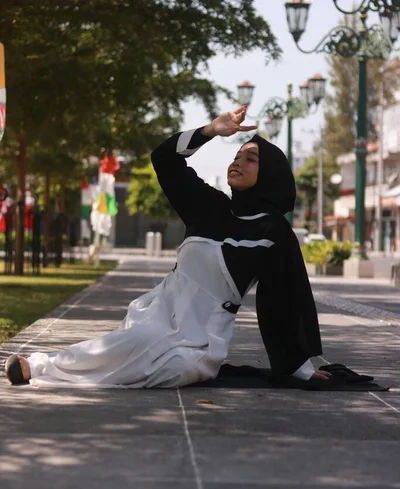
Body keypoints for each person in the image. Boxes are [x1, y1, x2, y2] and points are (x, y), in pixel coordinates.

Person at [5, 106, 331, 387]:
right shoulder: (208, 206)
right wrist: (212, 130)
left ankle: (61, 371)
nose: (238, 162)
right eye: (236, 155)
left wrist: (299, 370)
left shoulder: (272, 230)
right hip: (157, 316)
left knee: (173, 369)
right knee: (141, 341)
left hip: (202, 340)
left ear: (270, 173)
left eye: (251, 159)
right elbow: (163, 158)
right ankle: (38, 366)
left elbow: (283, 299)